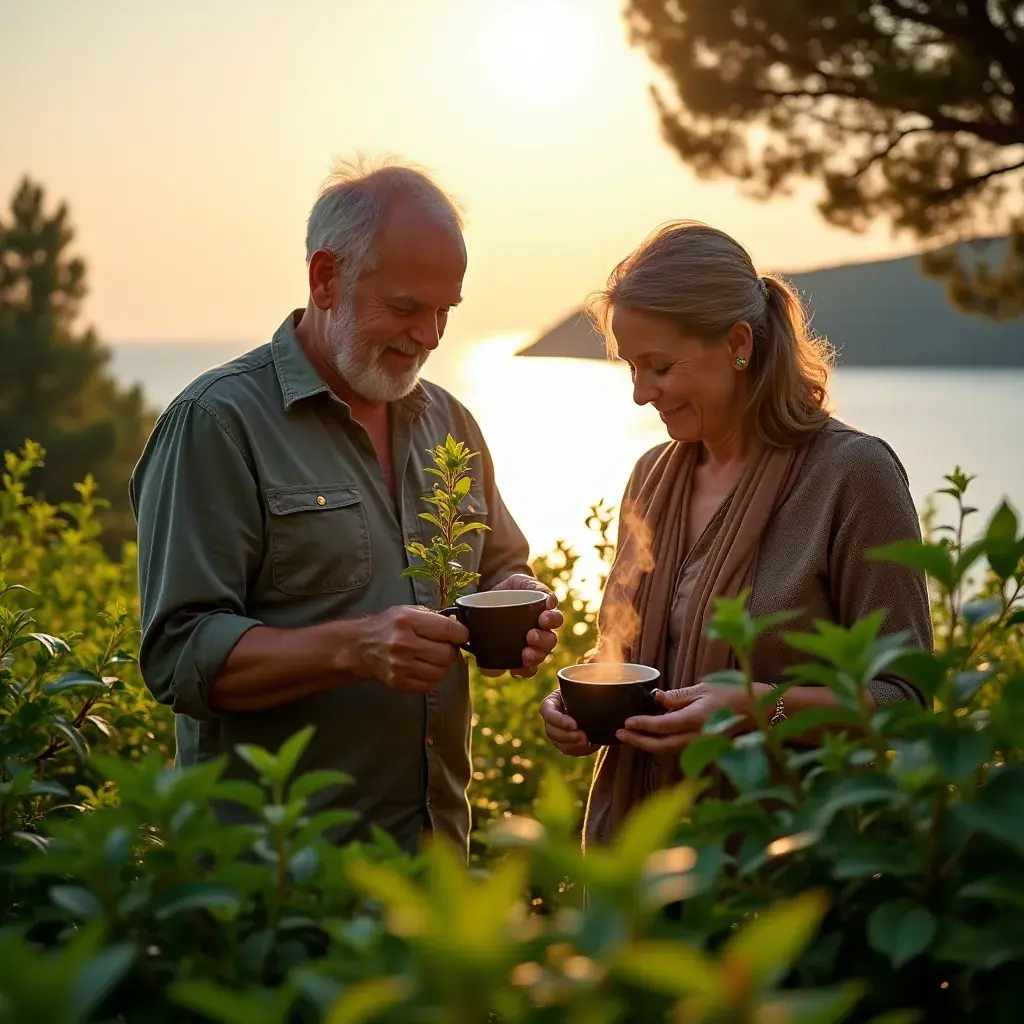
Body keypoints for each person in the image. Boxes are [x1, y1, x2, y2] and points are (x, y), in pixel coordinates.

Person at [131, 159, 563, 858]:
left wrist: (521, 606)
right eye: (406, 307)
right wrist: (356, 648)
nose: (430, 335)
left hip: (434, 867)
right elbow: (179, 655)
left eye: (445, 311)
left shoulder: (450, 423)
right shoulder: (217, 422)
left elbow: (501, 569)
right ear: (325, 278)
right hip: (275, 879)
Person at [539, 220, 932, 847]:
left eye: (660, 366)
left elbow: (905, 702)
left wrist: (764, 707)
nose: (640, 394)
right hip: (633, 862)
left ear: (738, 344)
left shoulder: (853, 475)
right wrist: (579, 705)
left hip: (782, 863)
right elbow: (633, 657)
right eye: (632, 368)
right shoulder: (650, 479)